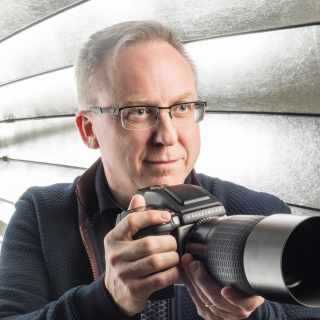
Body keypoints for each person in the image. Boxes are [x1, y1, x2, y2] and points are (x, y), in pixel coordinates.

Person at [0, 20, 319, 320]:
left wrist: (253, 315)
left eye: (182, 107)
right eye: (138, 111)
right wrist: (107, 300)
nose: (167, 136)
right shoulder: (41, 214)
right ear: (88, 129)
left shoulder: (262, 213)